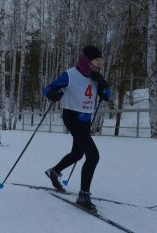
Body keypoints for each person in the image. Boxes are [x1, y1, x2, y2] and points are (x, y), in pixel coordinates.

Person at [42, 45, 112, 212]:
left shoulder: (95, 76)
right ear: (87, 60)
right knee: (93, 155)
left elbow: (108, 97)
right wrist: (52, 94)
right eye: (97, 60)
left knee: (78, 153)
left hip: (85, 119)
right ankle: (83, 195)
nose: (100, 63)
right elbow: (47, 89)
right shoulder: (70, 74)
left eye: (101, 60)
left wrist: (103, 85)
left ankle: (54, 171)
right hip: (72, 117)